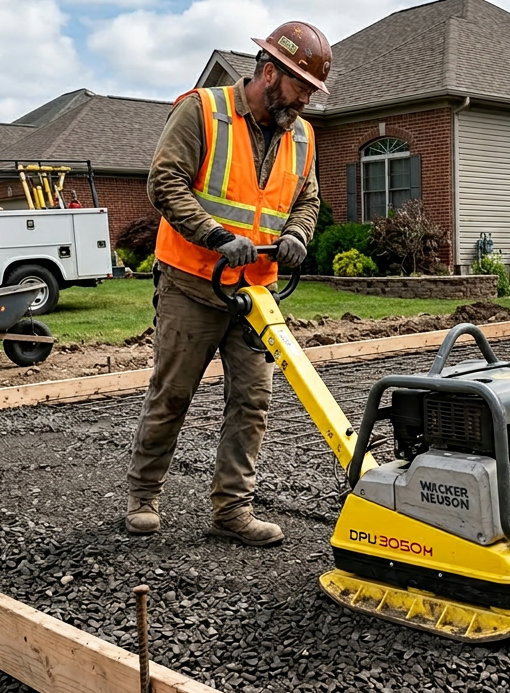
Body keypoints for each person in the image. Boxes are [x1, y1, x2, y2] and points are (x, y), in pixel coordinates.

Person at [124, 22, 332, 542]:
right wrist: (214, 235)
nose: (305, 101)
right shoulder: (202, 111)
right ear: (269, 73)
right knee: (172, 394)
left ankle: (231, 511)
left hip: (254, 295)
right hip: (193, 282)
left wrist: (298, 236)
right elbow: (164, 182)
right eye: (301, 88)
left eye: (311, 92)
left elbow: (306, 199)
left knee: (252, 403)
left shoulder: (301, 135)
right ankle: (143, 496)